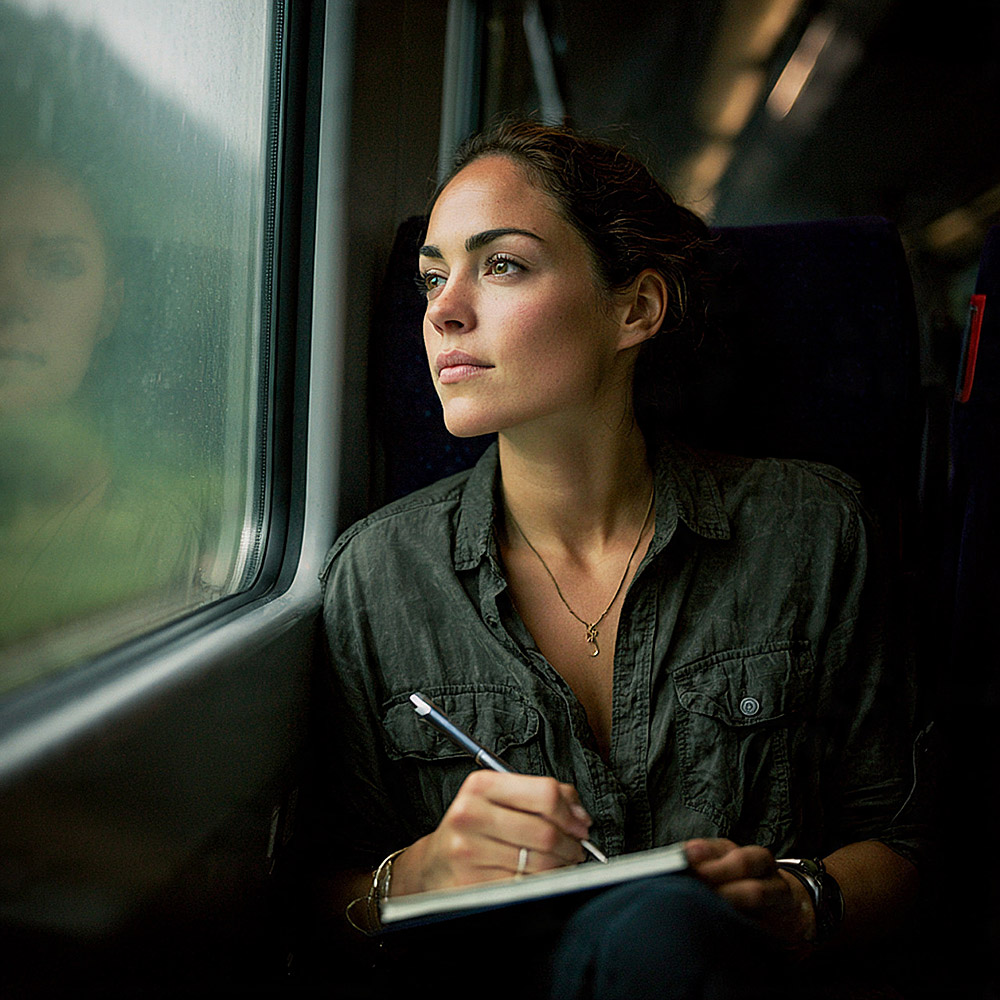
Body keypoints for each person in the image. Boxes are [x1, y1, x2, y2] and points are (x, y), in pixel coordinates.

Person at [316, 118, 930, 997]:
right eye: (430, 278)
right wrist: (409, 879)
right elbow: (312, 898)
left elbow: (912, 847)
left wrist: (801, 904)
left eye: (502, 265)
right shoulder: (377, 575)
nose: (444, 310)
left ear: (635, 309)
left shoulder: (810, 530)